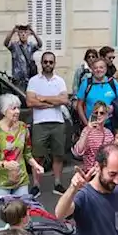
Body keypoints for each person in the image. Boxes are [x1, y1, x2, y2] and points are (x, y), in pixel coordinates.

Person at [26, 51, 69, 193]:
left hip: (58, 122)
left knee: (58, 155)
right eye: (45, 62)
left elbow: (64, 100)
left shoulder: (60, 81)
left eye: (51, 62)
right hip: (40, 123)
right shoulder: (33, 81)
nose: (48, 64)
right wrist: (53, 101)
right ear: (41, 63)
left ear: (54, 64)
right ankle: (36, 185)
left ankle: (57, 183)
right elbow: (30, 101)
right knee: (38, 156)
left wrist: (43, 98)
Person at [0, 95, 44, 195]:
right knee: (3, 210)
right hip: (1, 182)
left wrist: (36, 165)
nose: (17, 111)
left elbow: (27, 153)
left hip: (21, 180)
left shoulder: (23, 127)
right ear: (4, 111)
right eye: (13, 109)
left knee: (22, 209)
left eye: (18, 108)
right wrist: (4, 164)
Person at [75, 58, 118, 128]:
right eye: (95, 68)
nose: (98, 70)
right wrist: (86, 123)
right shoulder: (86, 83)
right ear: (92, 70)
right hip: (92, 124)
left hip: (111, 123)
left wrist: (113, 107)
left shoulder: (112, 82)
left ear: (105, 69)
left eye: (101, 67)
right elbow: (79, 105)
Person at [74, 101, 115, 175]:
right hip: (90, 172)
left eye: (102, 113)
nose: (99, 115)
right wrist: (88, 130)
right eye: (96, 113)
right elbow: (78, 152)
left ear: (106, 116)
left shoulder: (109, 133)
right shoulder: (87, 130)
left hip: (104, 172)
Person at [4, 24, 40, 89]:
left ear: (28, 34)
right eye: (21, 32)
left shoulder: (31, 46)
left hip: (29, 79)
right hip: (18, 81)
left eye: (25, 32)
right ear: (18, 34)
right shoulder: (14, 46)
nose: (23, 34)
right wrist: (13, 31)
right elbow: (6, 43)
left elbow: (40, 44)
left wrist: (33, 32)